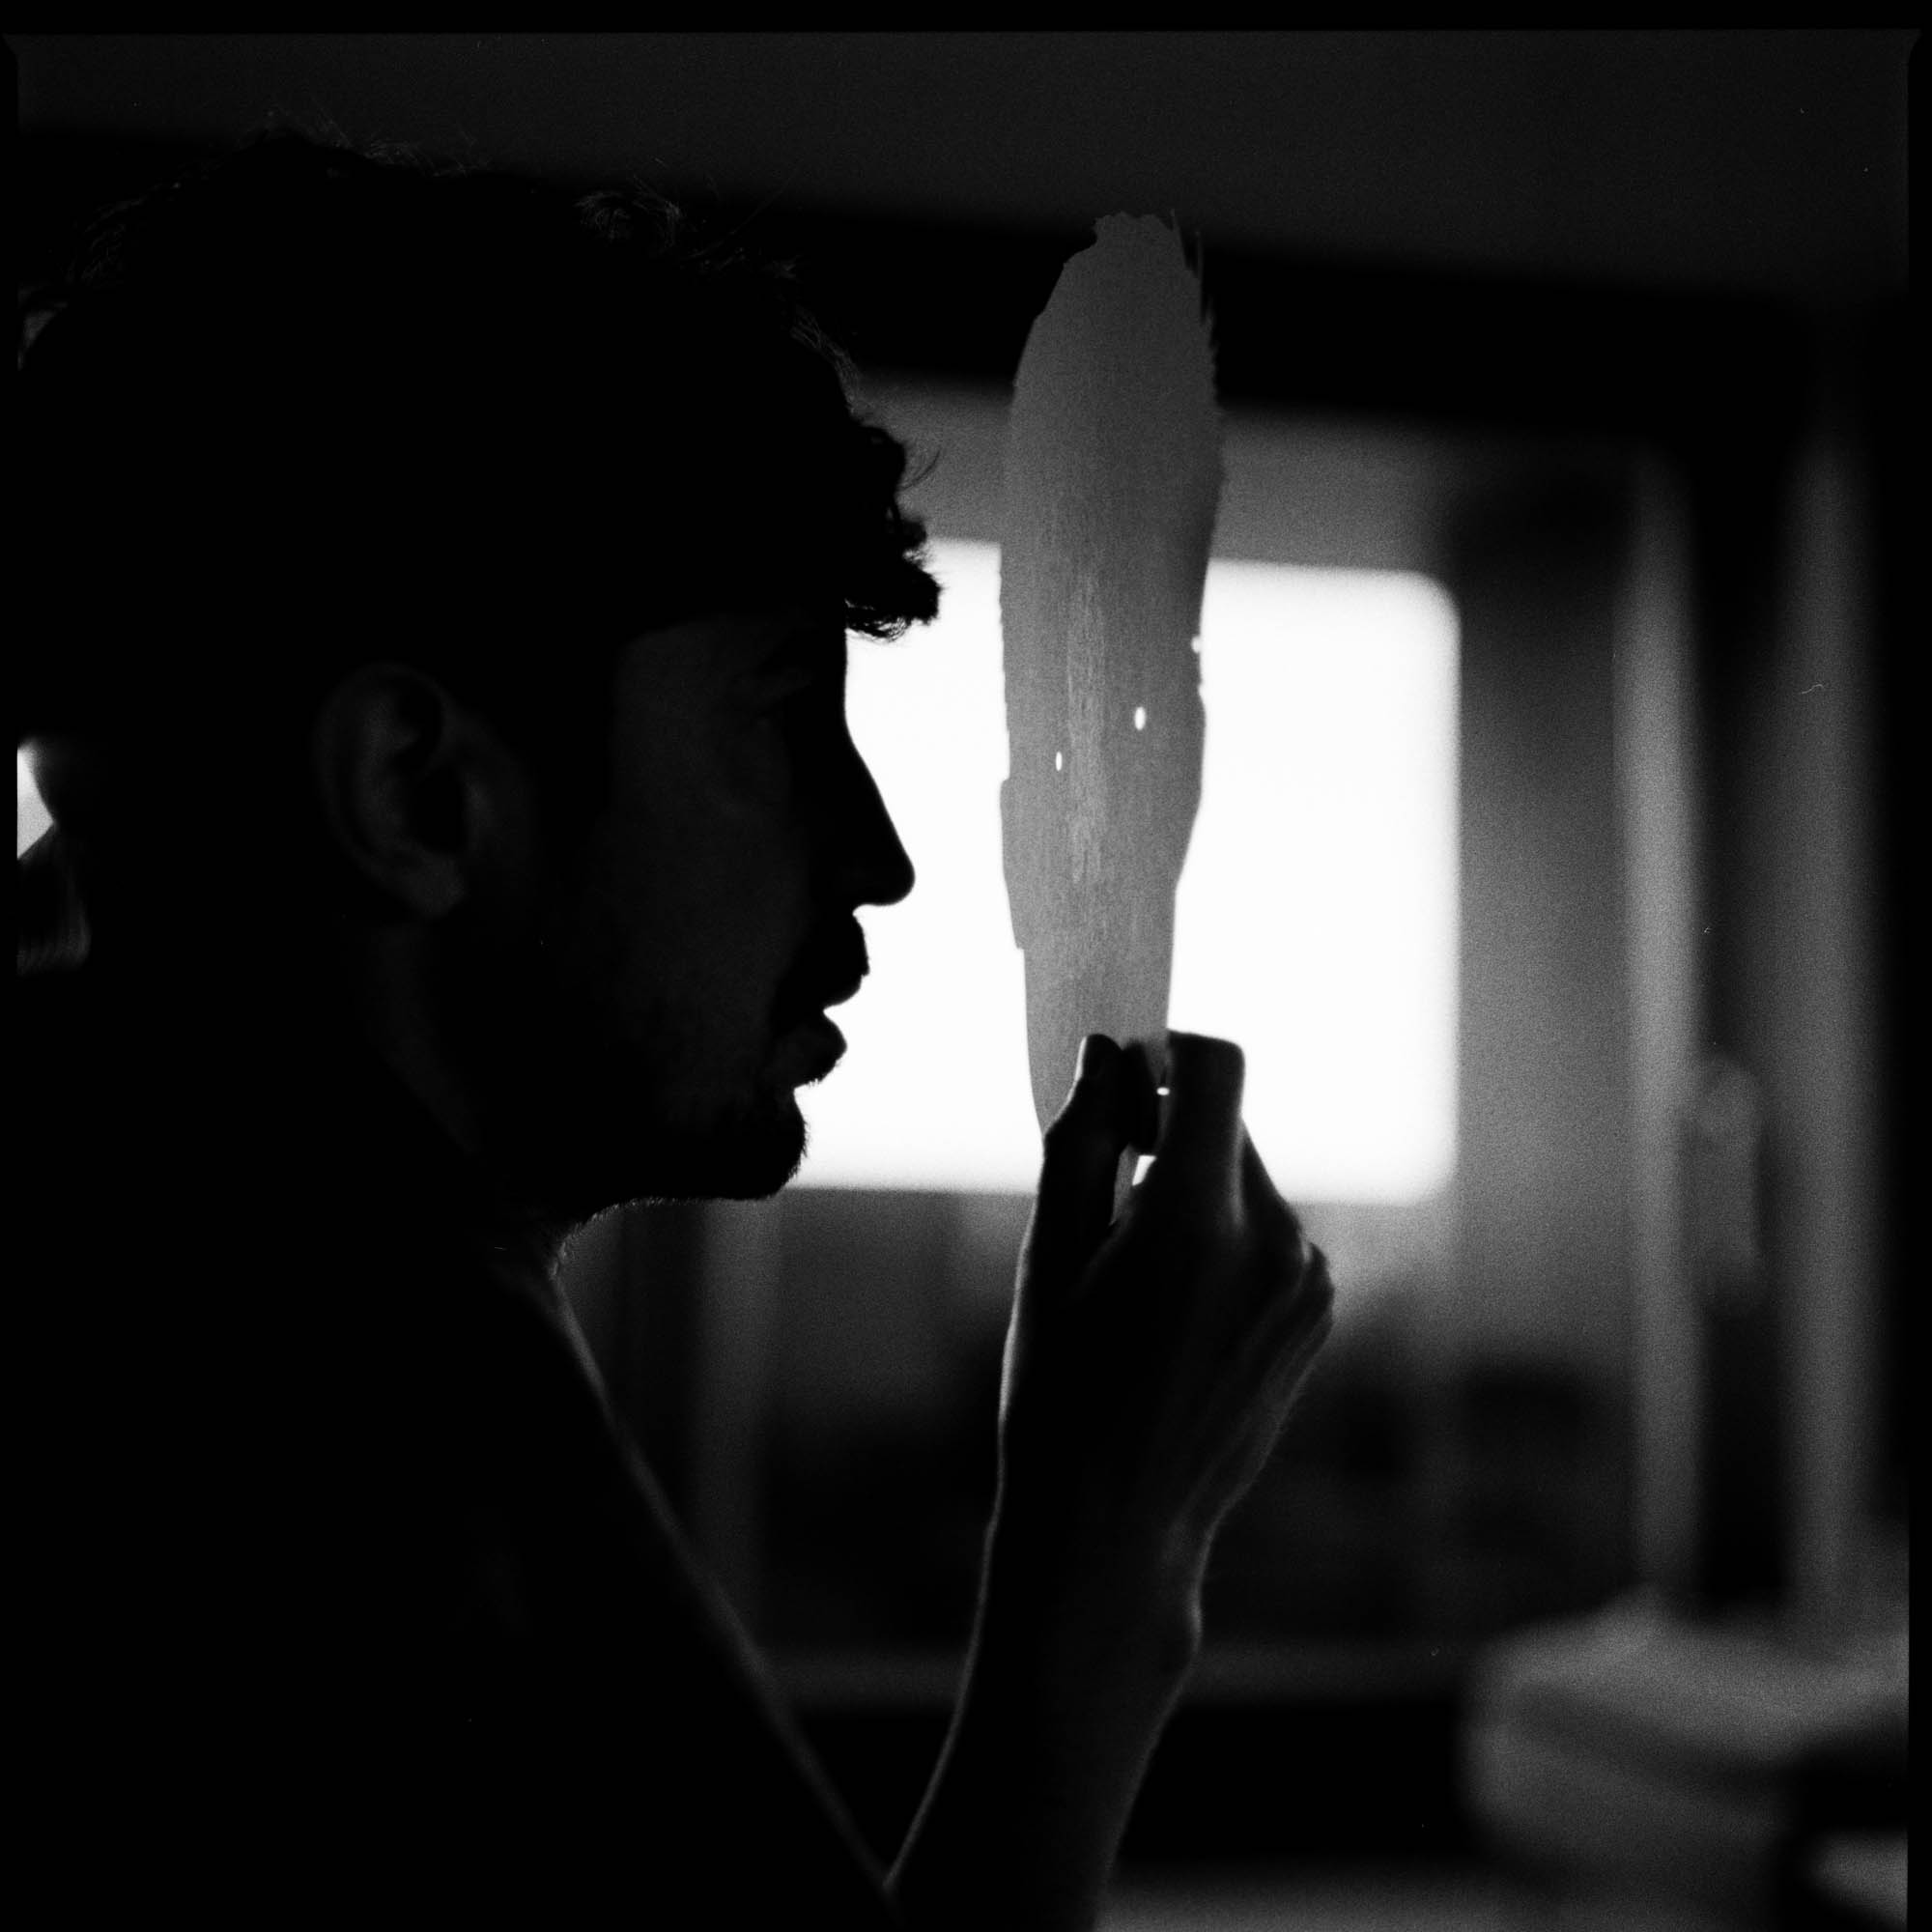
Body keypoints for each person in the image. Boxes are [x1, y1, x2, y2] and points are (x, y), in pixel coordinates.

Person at [15, 128, 1333, 1926]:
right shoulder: (357, 1404)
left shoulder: (160, 1200)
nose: (877, 856)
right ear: (414, 790)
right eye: (781, 721)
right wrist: (1113, 1568)